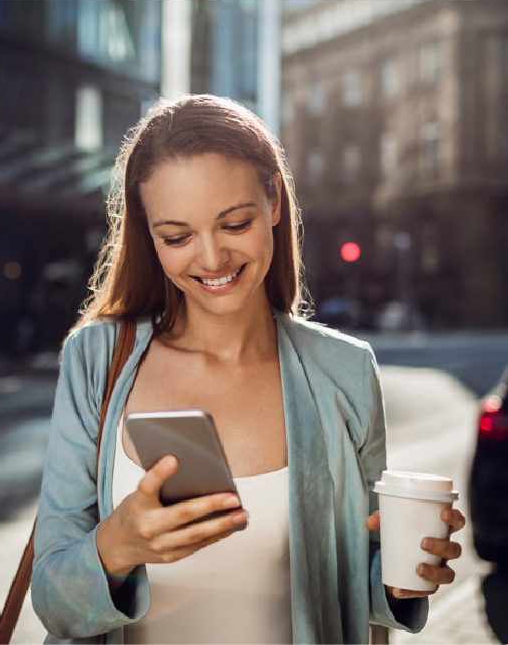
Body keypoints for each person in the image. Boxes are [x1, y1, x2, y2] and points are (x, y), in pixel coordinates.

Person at [31, 95, 465, 644]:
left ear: (275, 202)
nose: (211, 259)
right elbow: (52, 600)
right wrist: (118, 546)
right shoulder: (96, 359)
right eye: (177, 237)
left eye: (234, 223)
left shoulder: (346, 371)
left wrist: (404, 581)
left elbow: (360, 582)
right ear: (149, 237)